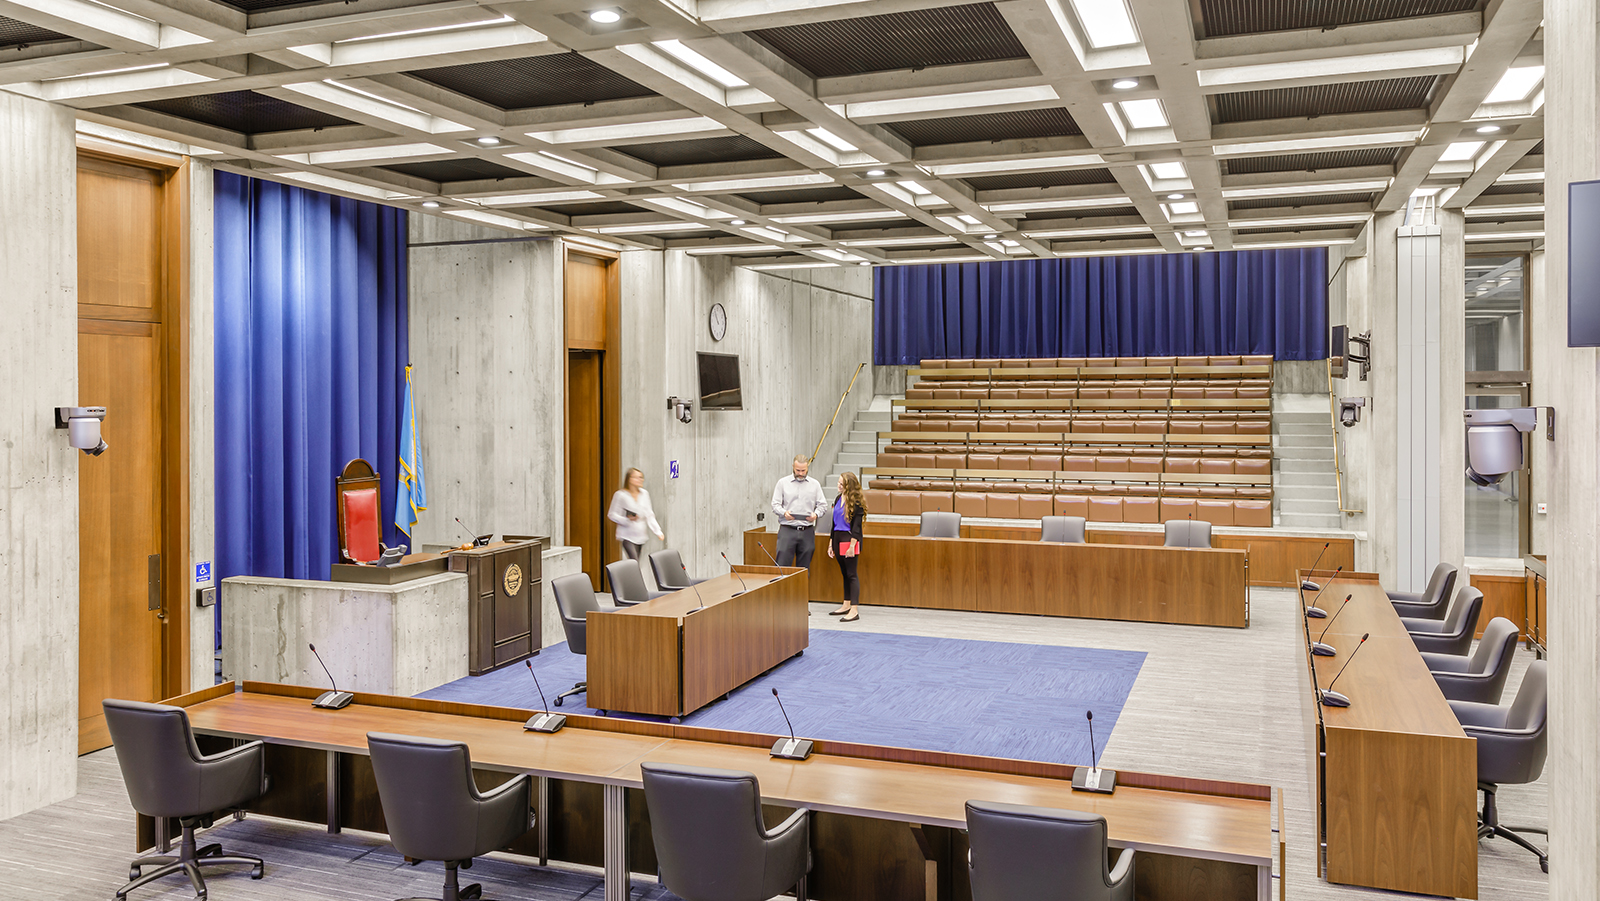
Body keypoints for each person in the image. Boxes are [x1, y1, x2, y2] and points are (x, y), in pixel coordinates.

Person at [770, 454, 827, 569]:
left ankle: (801, 588)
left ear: (807, 468)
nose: (800, 473)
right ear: (793, 467)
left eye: (803, 470)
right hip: (787, 529)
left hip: (807, 531)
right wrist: (784, 513)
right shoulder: (782, 483)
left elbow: (823, 505)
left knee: (804, 569)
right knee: (782, 568)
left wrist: (816, 514)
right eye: (798, 470)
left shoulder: (815, 484)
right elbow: (775, 505)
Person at [827, 472, 866, 622]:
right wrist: (831, 543)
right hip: (837, 538)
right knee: (844, 573)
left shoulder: (856, 502)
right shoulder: (838, 498)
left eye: (841, 484)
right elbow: (834, 524)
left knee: (851, 574)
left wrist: (852, 546)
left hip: (849, 540)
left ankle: (854, 610)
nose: (838, 486)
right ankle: (846, 604)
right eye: (838, 483)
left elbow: (856, 528)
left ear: (849, 486)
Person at [608, 467, 663, 561]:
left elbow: (649, 514)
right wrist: (627, 520)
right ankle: (630, 575)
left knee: (635, 562)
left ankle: (627, 575)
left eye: (641, 477)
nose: (640, 480)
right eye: (637, 477)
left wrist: (657, 531)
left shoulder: (644, 494)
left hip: (640, 535)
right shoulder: (621, 495)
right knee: (634, 561)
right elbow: (612, 514)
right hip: (627, 535)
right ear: (630, 479)